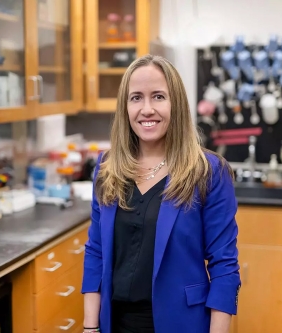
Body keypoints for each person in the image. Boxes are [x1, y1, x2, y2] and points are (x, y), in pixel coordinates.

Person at [81, 54, 241, 333]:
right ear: (125, 107)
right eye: (136, 98)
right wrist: (90, 327)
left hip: (180, 323)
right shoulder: (108, 168)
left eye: (158, 96)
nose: (146, 109)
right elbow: (96, 253)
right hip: (115, 323)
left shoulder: (208, 171)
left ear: (176, 104)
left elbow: (224, 265)